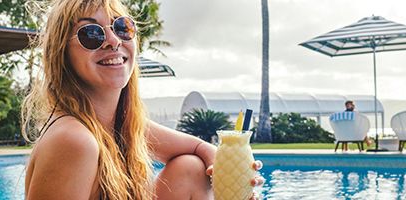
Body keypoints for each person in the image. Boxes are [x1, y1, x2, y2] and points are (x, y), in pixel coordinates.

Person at [21, 0, 263, 199]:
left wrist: (227, 172)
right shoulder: (74, 140)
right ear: (62, 55)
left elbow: (199, 148)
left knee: (190, 168)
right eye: (92, 34)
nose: (114, 41)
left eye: (121, 27)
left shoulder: (122, 124)